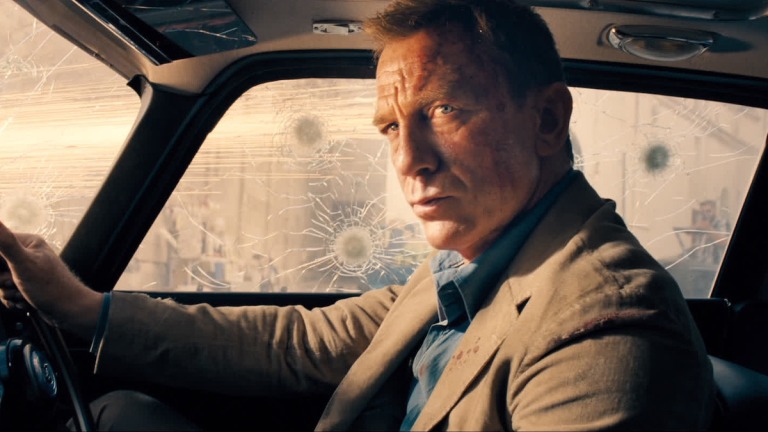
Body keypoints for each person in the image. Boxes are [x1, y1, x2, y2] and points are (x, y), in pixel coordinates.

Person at [0, 0, 715, 430]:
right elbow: (303, 341)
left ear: (548, 121)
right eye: (390, 128)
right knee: (122, 414)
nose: (409, 160)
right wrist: (80, 308)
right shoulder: (469, 264)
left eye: (443, 110)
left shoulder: (607, 329)